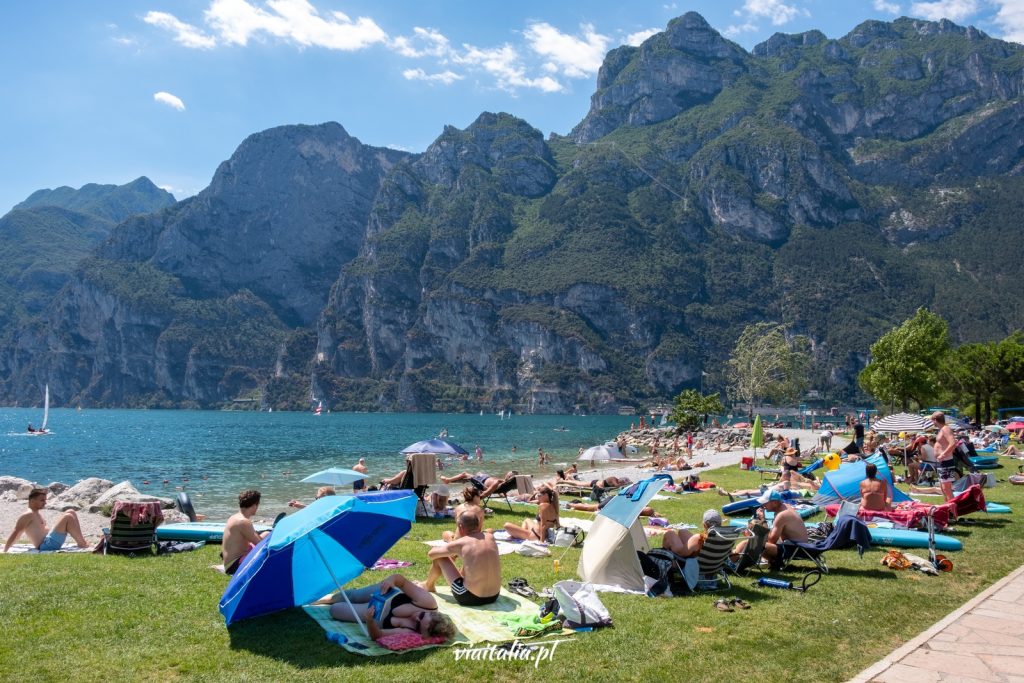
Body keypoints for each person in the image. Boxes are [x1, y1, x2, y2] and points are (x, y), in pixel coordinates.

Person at [317, 573, 456, 641]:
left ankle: (335, 600)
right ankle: (319, 599)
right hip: (386, 593)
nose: (415, 618)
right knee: (352, 596)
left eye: (419, 626)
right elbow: (400, 580)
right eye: (421, 616)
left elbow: (377, 635)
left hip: (374, 615)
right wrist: (390, 581)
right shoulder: (428, 602)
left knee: (335, 610)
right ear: (431, 613)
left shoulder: (410, 633)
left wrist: (370, 621)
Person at [424, 511, 501, 606]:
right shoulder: (490, 537)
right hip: (494, 596)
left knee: (440, 558)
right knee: (472, 558)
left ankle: (428, 586)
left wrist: (452, 545)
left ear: (460, 527)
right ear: (478, 525)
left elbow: (431, 554)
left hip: (470, 597)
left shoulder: (461, 543)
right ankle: (428, 585)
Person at [4, 488, 90, 552]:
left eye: (45, 500)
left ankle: (82, 541)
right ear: (32, 501)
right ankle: (82, 543)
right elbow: (16, 532)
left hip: (49, 540)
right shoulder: (28, 515)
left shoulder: (35, 512)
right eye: (42, 500)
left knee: (70, 511)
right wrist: (5, 550)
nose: (45, 503)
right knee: (68, 517)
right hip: (45, 545)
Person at [736, 490, 809, 566]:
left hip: (794, 549)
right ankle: (732, 558)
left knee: (747, 543)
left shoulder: (782, 515)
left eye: (765, 502)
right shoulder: (786, 507)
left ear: (774, 502)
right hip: (796, 546)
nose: (763, 504)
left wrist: (763, 520)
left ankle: (731, 562)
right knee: (753, 540)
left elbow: (771, 541)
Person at [222, 489, 270, 575]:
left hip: (229, 562)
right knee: (267, 552)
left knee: (267, 534)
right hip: (234, 566)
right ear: (255, 505)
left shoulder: (235, 517)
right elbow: (260, 545)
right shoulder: (243, 521)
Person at [932, 412, 958, 501]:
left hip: (946, 461)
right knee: (943, 488)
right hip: (941, 462)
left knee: (947, 488)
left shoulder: (946, 429)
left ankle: (953, 512)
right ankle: (947, 509)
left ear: (935, 420)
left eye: (932, 420)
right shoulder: (941, 429)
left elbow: (953, 443)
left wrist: (943, 454)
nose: (932, 423)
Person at [440, 471, 518, 498]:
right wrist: (502, 492)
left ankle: (448, 480)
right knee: (478, 473)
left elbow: (487, 492)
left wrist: (480, 497)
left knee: (464, 474)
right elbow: (500, 488)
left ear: (508, 477)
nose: (506, 474)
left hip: (481, 482)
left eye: (508, 475)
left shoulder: (498, 483)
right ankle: (458, 481)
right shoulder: (503, 483)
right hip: (483, 478)